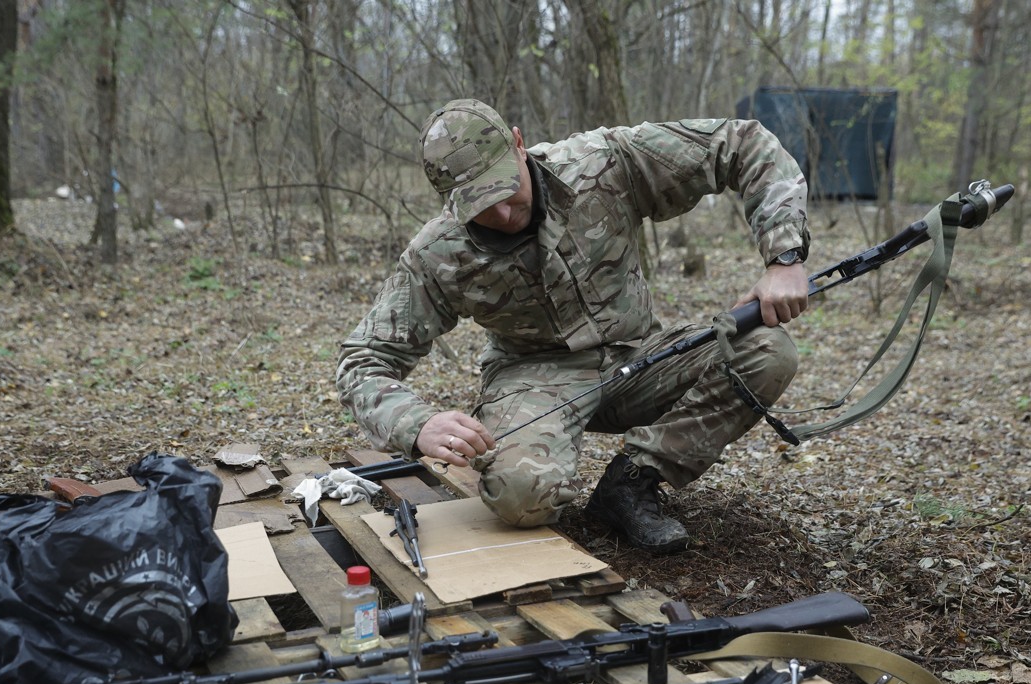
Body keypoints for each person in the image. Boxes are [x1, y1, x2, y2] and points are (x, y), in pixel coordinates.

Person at [337, 99, 810, 552]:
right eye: (479, 204)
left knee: (768, 350)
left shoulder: (603, 164)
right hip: (535, 375)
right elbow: (363, 359)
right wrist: (418, 424)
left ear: (519, 143)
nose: (502, 214)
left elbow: (742, 143)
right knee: (522, 496)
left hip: (642, 356)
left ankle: (633, 481)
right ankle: (545, 473)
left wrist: (783, 256)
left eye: (504, 187)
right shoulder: (439, 254)